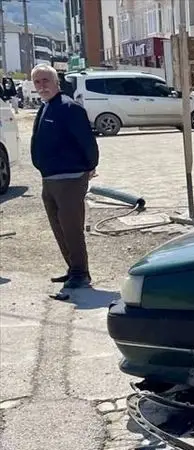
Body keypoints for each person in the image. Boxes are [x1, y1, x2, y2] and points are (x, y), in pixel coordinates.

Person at [30, 64, 99, 294]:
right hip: (49, 179)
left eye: (45, 81)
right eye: (37, 82)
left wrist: (90, 166)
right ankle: (73, 268)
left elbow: (87, 142)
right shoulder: (46, 107)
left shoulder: (69, 107)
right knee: (58, 227)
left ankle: (81, 273)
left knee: (72, 228)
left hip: (70, 178)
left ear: (56, 82)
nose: (42, 86)